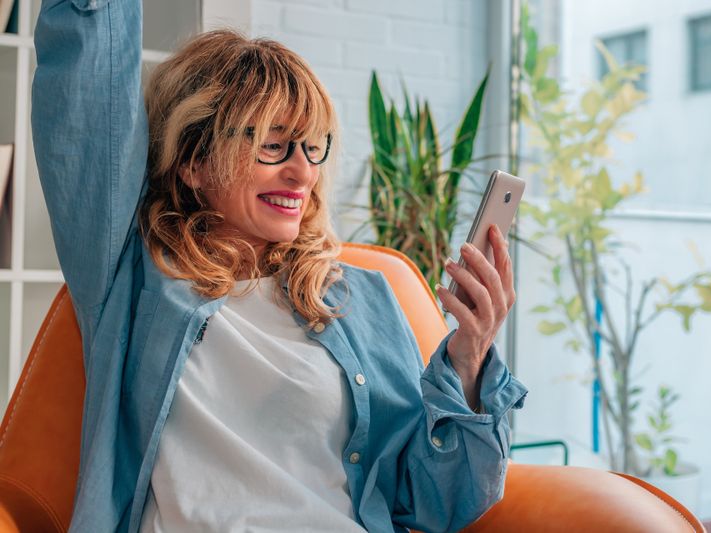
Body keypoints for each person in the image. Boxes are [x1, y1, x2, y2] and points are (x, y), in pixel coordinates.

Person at [31, 1, 527, 532]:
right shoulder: (135, 276)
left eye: (313, 148)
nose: (302, 172)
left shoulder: (362, 300)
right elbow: (86, 90)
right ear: (195, 161)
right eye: (273, 146)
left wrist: (470, 362)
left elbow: (430, 505)